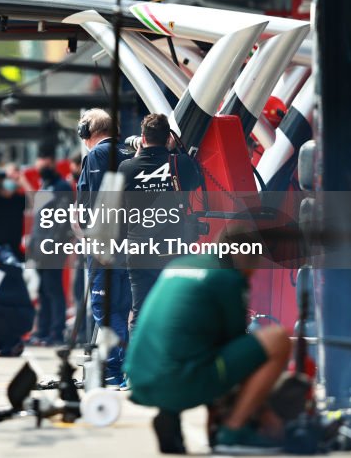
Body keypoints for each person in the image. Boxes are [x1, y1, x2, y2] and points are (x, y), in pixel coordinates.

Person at [125, 226, 292, 454]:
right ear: (243, 254)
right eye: (255, 263)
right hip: (179, 382)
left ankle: (170, 415)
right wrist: (263, 411)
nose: (253, 272)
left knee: (188, 343)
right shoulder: (228, 278)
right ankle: (232, 430)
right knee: (277, 339)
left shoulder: (178, 265)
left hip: (140, 378)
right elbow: (233, 351)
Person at [118, 114, 202, 331]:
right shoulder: (181, 164)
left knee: (140, 311)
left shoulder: (126, 168)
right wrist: (174, 151)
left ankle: (138, 363)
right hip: (172, 251)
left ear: (143, 138)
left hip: (139, 251)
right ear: (168, 139)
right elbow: (196, 180)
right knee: (175, 309)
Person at [75, 108, 133, 386]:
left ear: (88, 131)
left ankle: (122, 368)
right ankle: (119, 369)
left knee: (105, 308)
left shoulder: (97, 155)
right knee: (120, 308)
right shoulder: (127, 154)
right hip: (128, 245)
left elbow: (96, 202)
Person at [31, 153, 72, 346]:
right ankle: (42, 331)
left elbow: (62, 221)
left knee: (53, 289)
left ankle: (56, 333)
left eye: (43, 162)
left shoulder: (62, 187)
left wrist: (50, 245)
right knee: (43, 290)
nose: (40, 165)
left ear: (51, 163)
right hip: (39, 246)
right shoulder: (44, 185)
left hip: (52, 247)